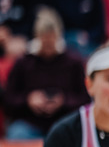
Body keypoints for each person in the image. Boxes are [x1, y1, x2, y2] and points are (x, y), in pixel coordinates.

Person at [2, 8, 88, 139]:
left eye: (52, 39)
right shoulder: (23, 63)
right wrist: (28, 100)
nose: (48, 44)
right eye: (44, 40)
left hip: (64, 123)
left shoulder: (73, 63)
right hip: (30, 124)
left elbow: (85, 99)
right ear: (37, 37)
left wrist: (63, 100)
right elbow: (8, 99)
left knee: (79, 133)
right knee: (17, 134)